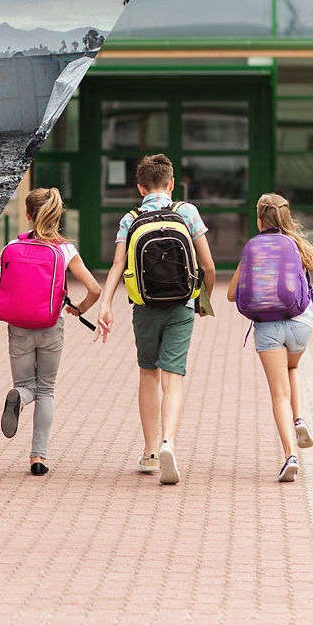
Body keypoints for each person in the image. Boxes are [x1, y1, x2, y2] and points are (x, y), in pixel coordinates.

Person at [94, 154, 216, 485]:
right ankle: (168, 443)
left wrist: (105, 303)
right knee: (173, 376)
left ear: (139, 187)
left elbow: (118, 264)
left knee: (149, 372)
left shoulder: (130, 219)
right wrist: (202, 299)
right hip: (182, 305)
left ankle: (149, 450)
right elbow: (208, 266)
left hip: (144, 306)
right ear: (172, 184)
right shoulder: (186, 212)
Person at [227, 194, 313, 483]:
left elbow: (231, 294)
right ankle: (299, 418)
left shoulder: (251, 250)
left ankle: (290, 456)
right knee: (293, 368)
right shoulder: (299, 246)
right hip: (300, 324)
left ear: (260, 220)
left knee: (279, 394)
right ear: (287, 218)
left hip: (267, 327)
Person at [0, 187, 100, 475]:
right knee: (46, 390)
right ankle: (38, 459)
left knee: (25, 385)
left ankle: (19, 397)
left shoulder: (12, 246)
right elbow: (94, 289)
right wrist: (80, 308)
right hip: (50, 325)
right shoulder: (65, 250)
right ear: (57, 215)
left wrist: (7, 288)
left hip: (18, 325)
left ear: (29, 215)